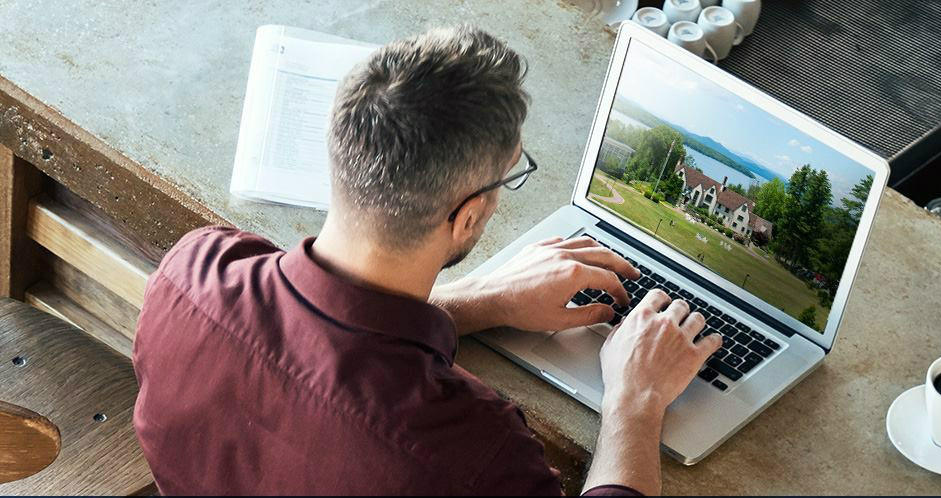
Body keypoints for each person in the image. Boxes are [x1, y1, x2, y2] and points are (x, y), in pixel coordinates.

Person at [132, 25, 721, 495]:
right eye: (507, 176)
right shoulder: (471, 452)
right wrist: (635, 403)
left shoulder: (191, 272)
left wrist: (481, 300)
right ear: (467, 217)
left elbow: (321, 336)